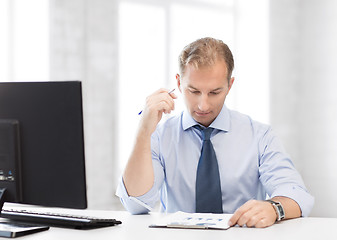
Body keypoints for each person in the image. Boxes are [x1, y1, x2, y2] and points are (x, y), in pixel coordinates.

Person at [116, 37, 314, 228]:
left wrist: (274, 208)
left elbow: (297, 195)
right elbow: (136, 204)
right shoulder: (160, 135)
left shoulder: (260, 135)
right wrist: (143, 131)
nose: (203, 105)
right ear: (178, 82)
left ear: (229, 85)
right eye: (193, 91)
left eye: (214, 92)